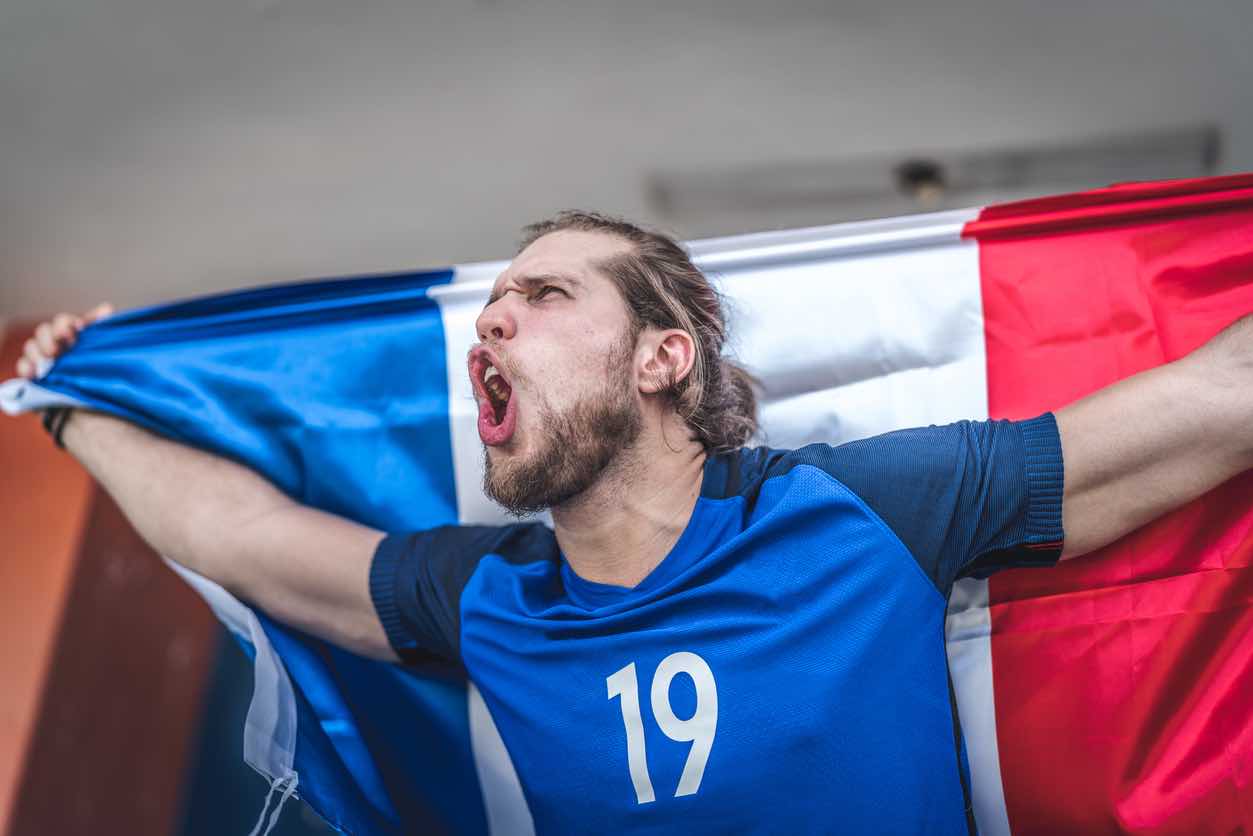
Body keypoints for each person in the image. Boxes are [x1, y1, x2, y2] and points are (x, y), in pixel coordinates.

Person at [16, 211, 1253, 833]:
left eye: (541, 296)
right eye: (488, 307)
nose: (489, 323)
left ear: (663, 357)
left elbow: (1210, 402)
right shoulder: (486, 595)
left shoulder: (867, 507)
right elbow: (238, 535)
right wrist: (70, 408)